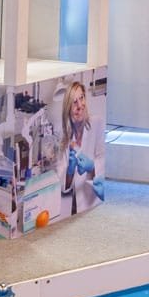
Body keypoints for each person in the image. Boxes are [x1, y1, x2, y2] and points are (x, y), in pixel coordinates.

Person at [59, 79, 100, 216]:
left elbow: (106, 169)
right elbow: (64, 186)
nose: (79, 105)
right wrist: (69, 171)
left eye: (81, 98)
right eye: (74, 102)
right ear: (68, 109)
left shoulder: (97, 124)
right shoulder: (66, 142)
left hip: (97, 203)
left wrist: (92, 167)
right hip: (77, 207)